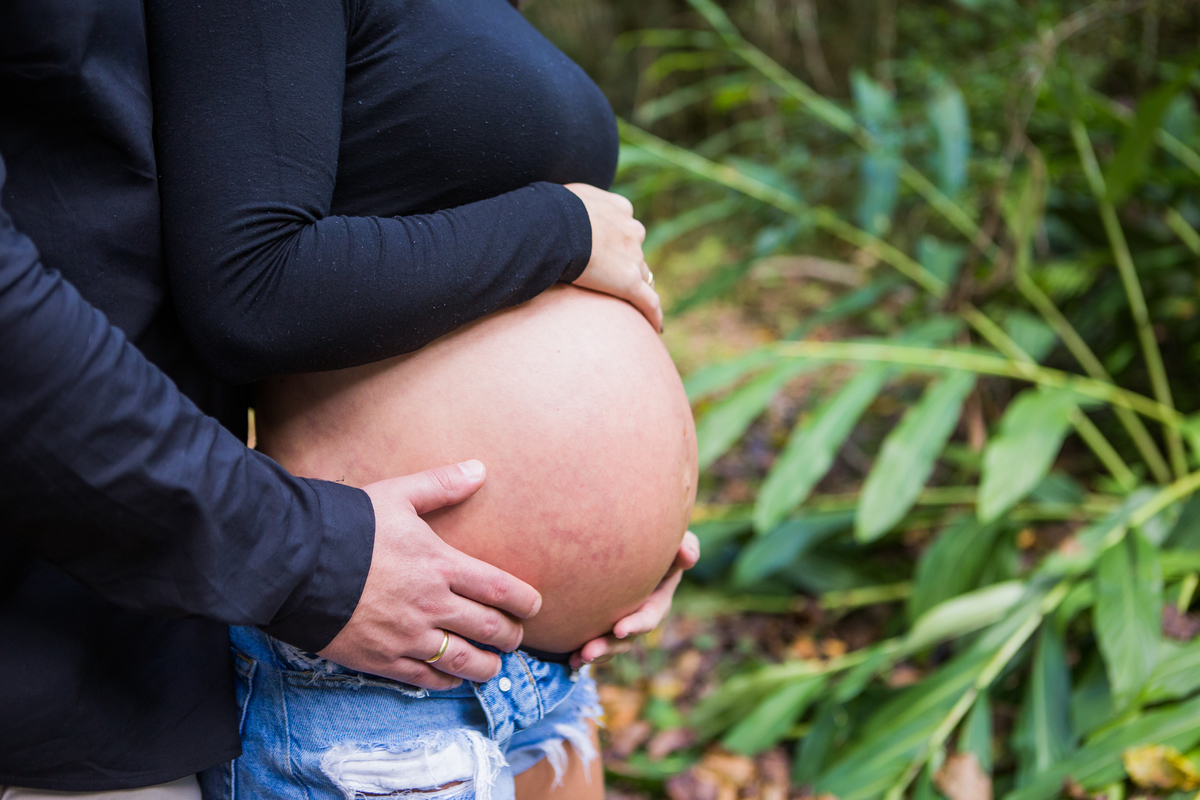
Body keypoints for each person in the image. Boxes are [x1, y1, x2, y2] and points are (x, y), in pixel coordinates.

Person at [0, 0, 696, 796]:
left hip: (538, 658)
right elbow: (251, 285)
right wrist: (562, 228)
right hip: (377, 647)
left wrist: (628, 544)